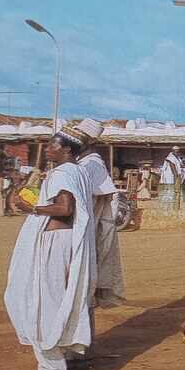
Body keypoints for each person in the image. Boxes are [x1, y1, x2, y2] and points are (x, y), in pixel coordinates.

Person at [4, 123, 97, 370]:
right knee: (53, 299)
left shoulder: (63, 173)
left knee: (41, 302)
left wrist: (31, 207)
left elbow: (65, 208)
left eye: (52, 145)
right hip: (63, 242)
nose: (47, 149)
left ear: (66, 149)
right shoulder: (77, 171)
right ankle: (59, 360)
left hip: (55, 243)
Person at [76, 120, 125, 310]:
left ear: (88, 141)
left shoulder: (91, 165)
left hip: (88, 232)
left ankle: (86, 338)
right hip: (87, 231)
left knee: (84, 292)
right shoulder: (85, 163)